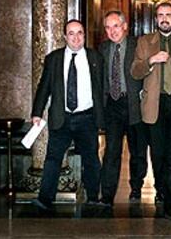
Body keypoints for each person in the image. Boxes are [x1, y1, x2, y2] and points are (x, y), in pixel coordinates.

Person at [31, 19, 104, 210]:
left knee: (91, 159)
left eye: (79, 32)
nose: (76, 37)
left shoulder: (95, 58)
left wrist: (103, 115)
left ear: (84, 36)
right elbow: (44, 86)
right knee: (53, 159)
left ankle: (93, 197)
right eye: (71, 33)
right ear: (65, 37)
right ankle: (45, 199)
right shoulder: (53, 59)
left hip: (86, 118)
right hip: (61, 117)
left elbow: (101, 88)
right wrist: (37, 112)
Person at [131, 2, 171, 220]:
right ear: (156, 19)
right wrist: (151, 60)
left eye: (168, 15)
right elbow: (135, 71)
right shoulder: (145, 42)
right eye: (161, 15)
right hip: (154, 106)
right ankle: (161, 191)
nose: (164, 19)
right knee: (158, 155)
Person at [98, 10, 149, 206]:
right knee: (111, 151)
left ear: (125, 26)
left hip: (134, 105)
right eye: (108, 28)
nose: (112, 31)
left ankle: (136, 187)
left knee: (137, 151)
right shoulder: (103, 48)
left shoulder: (138, 46)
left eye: (116, 26)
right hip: (112, 106)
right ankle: (108, 195)